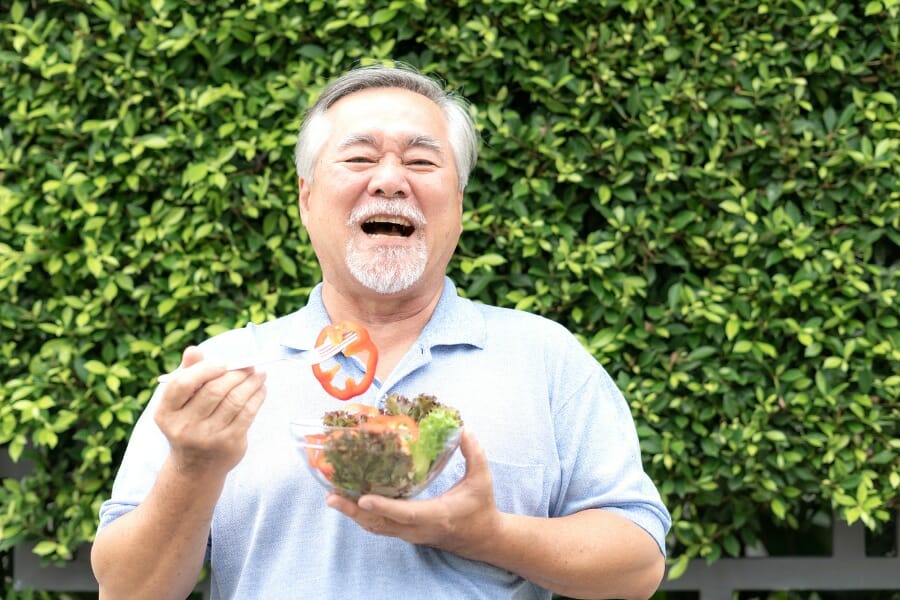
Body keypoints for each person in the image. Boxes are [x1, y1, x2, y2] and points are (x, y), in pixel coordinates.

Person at [91, 63, 671, 600]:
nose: (390, 180)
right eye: (359, 158)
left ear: (460, 204)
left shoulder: (544, 358)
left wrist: (486, 533)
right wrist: (194, 466)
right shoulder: (223, 375)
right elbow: (127, 591)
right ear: (306, 197)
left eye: (422, 162)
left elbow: (637, 566)